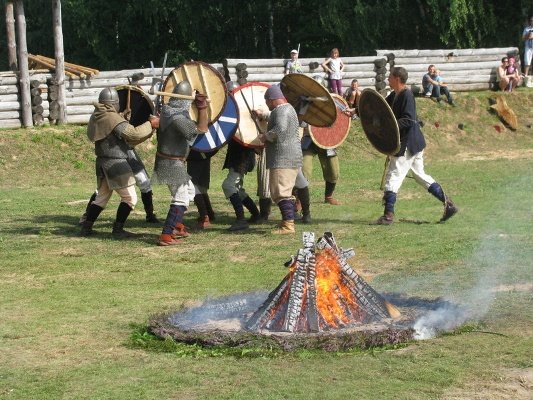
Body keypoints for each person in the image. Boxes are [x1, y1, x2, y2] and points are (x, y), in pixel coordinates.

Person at [352, 67, 458, 225]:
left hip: (408, 143)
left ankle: (388, 215)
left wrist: (389, 127)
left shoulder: (407, 95)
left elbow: (408, 120)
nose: (388, 79)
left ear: (397, 78)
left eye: (390, 76)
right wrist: (355, 111)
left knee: (394, 175)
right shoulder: (395, 94)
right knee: (420, 176)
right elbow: (379, 110)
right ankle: (448, 204)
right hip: (414, 143)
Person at [80, 87, 159, 238]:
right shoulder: (111, 118)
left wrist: (123, 118)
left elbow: (116, 133)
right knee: (130, 198)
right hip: (116, 163)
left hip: (103, 162)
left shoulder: (98, 115)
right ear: (115, 102)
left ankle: (86, 227)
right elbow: (133, 134)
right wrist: (151, 124)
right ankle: (118, 229)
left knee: (101, 198)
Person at [151, 81, 209, 246]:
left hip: (170, 161)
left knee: (189, 191)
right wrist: (202, 107)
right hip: (171, 163)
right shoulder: (177, 118)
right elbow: (201, 129)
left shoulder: (168, 111)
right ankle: (166, 234)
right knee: (181, 197)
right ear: (185, 100)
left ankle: (177, 226)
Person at [253, 84, 302, 234]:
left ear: (272, 99)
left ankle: (288, 225)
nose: (267, 104)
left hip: (283, 157)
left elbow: (280, 130)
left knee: (281, 192)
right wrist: (262, 115)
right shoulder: (287, 109)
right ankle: (287, 221)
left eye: (267, 101)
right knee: (284, 190)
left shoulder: (281, 111)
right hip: (290, 156)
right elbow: (277, 120)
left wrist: (265, 136)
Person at [221, 139, 261, 231]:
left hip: (242, 157)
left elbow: (248, 137)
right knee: (237, 189)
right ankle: (255, 214)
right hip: (239, 156)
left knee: (228, 185)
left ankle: (241, 220)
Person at [186, 148, 216, 229]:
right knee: (200, 186)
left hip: (196, 155)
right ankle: (209, 214)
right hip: (202, 154)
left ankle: (204, 217)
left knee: (193, 187)